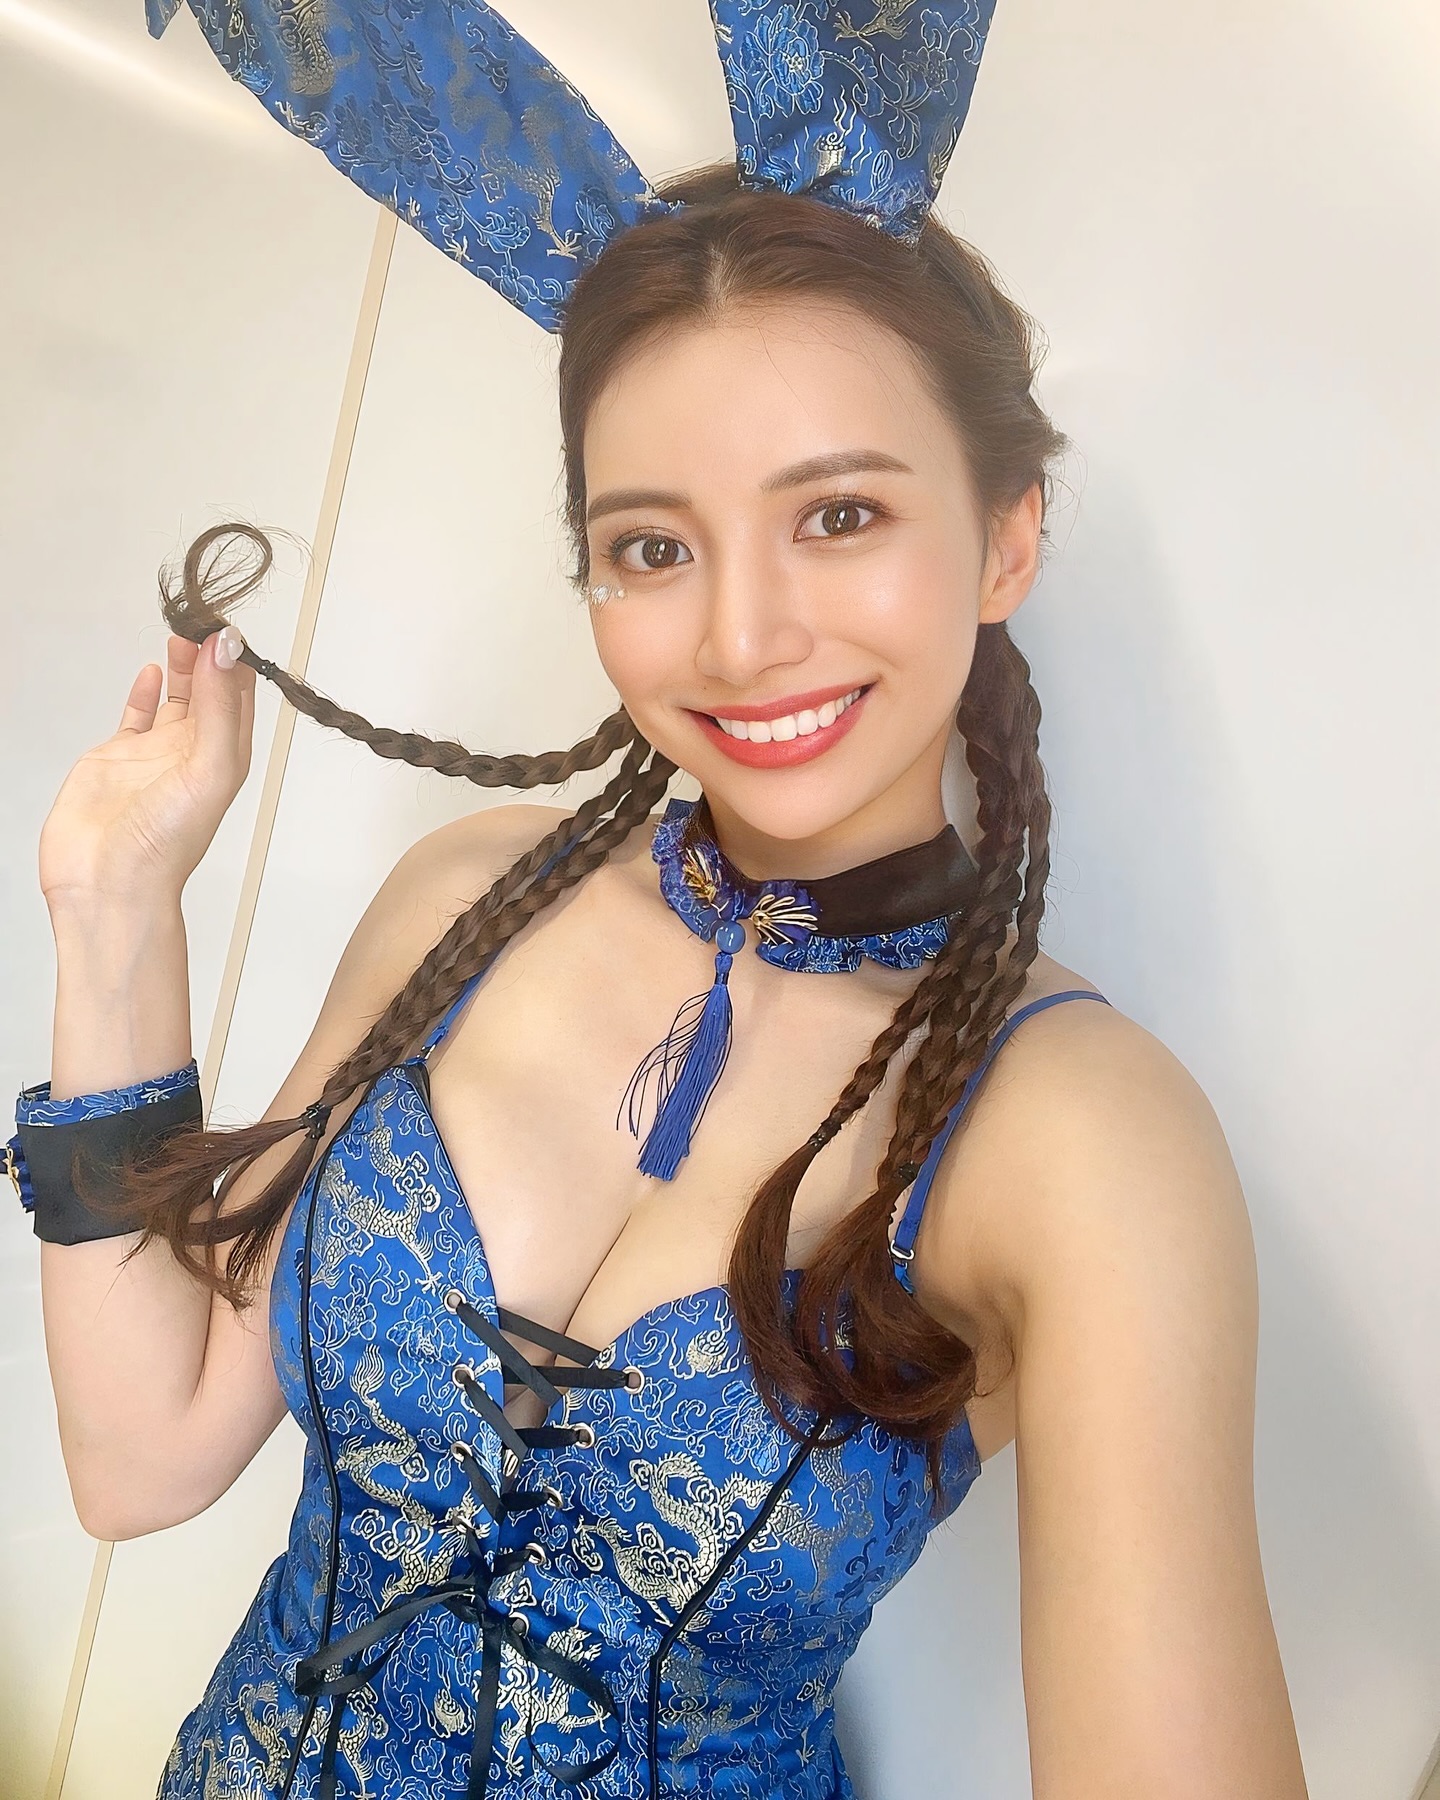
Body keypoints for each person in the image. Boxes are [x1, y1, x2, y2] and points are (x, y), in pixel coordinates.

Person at [8, 4, 1310, 1797]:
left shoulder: (1082, 1136)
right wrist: (113, 909)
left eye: (838, 516)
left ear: (1008, 533)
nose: (741, 635)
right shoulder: (468, 901)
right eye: (652, 545)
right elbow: (142, 1454)